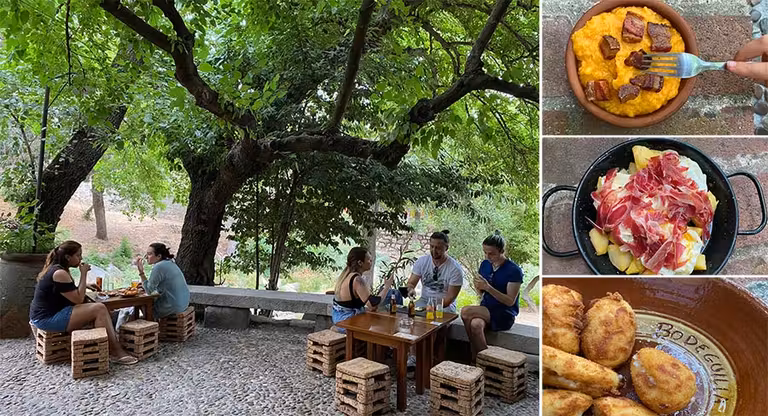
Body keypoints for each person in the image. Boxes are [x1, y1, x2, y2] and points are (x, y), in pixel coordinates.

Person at [29, 240, 138, 365]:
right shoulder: (59, 273)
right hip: (47, 318)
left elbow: (65, 291)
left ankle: (100, 347)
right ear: (68, 257)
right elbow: (78, 299)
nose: (81, 258)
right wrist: (84, 274)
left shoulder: (59, 269)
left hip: (51, 313)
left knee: (100, 308)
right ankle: (115, 351)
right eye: (78, 255)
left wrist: (85, 285)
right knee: (99, 308)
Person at [460, 231, 524, 362]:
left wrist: (488, 287)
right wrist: (479, 287)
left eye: (491, 253)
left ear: (502, 251)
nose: (487, 256)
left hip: (504, 313)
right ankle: (486, 361)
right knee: (475, 324)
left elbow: (510, 301)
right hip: (486, 309)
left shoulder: (514, 271)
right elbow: (481, 293)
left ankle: (473, 355)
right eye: (485, 252)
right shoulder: (485, 265)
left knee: (465, 311)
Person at [331, 247, 394, 332]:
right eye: (369, 260)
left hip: (338, 318)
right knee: (382, 326)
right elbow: (373, 305)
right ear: (360, 263)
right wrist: (386, 287)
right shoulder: (357, 279)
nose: (371, 262)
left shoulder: (346, 275)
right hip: (347, 321)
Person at [405, 230, 463, 313]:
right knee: (409, 313)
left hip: (445, 305)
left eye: (438, 248)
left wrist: (431, 308)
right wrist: (410, 290)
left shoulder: (455, 269)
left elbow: (450, 298)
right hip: (424, 301)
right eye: (431, 246)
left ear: (446, 248)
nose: (434, 250)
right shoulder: (421, 262)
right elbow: (411, 283)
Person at [136, 243, 190, 319]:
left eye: (149, 254)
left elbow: (149, 291)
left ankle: (150, 323)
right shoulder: (170, 262)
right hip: (183, 303)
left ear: (159, 256)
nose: (146, 257)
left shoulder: (159, 267)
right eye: (146, 254)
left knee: (141, 304)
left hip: (173, 306)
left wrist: (141, 272)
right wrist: (145, 284)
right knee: (152, 301)